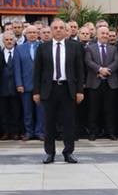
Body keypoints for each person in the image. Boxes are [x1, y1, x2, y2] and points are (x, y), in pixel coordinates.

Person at [33, 19, 84, 162]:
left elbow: (79, 71)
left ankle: (68, 152)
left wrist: (80, 91)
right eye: (55, 28)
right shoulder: (43, 47)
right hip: (49, 89)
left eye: (61, 27)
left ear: (66, 30)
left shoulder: (74, 47)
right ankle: (50, 153)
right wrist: (36, 92)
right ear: (51, 30)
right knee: (49, 123)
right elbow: (37, 71)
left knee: (69, 122)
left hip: (68, 89)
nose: (58, 30)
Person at [84, 25, 118, 140]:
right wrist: (100, 69)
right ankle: (93, 132)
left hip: (110, 83)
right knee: (94, 109)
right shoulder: (90, 48)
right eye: (102, 33)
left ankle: (110, 132)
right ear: (97, 35)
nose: (105, 36)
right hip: (95, 82)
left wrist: (106, 71)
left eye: (106, 34)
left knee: (110, 109)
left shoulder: (113, 48)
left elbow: (117, 62)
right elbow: (88, 61)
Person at [14, 24, 44, 140]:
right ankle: (29, 132)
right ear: (25, 34)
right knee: (27, 111)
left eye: (34, 32)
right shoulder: (19, 48)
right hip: (25, 85)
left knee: (41, 111)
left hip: (40, 86)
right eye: (30, 32)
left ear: (38, 34)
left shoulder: (43, 47)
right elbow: (17, 68)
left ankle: (40, 132)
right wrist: (19, 84)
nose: (32, 34)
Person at [0, 31, 22, 140]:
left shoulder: (18, 53)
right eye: (6, 40)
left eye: (11, 40)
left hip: (16, 88)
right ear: (3, 41)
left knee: (16, 111)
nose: (9, 42)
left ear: (14, 41)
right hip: (2, 88)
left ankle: (15, 132)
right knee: (3, 112)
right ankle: (5, 132)